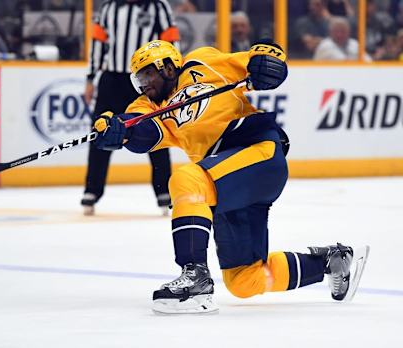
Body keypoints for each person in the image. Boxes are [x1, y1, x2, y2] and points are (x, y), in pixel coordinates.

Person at [90, 39, 370, 314]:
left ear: (167, 67)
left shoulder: (202, 61)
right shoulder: (149, 106)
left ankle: (195, 276)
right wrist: (118, 129)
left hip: (255, 151)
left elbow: (257, 61)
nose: (144, 83)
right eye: (139, 78)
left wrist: (267, 59)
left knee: (187, 178)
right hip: (224, 179)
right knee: (244, 280)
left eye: (148, 73)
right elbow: (141, 131)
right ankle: (332, 262)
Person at [82, 0, 178, 215]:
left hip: (147, 79)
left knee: (157, 130)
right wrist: (90, 78)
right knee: (101, 129)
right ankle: (92, 190)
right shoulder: (109, 7)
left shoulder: (158, 7)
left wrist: (171, 78)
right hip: (112, 79)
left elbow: (171, 41)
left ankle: (164, 191)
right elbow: (98, 42)